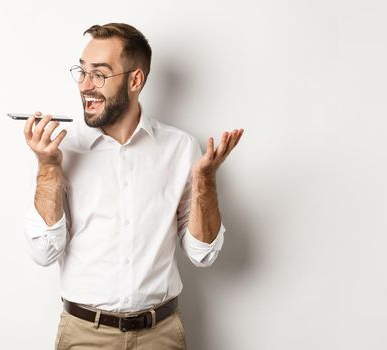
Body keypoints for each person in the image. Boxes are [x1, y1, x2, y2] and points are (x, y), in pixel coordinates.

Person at [22, 23, 243, 349]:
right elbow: (43, 252)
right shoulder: (61, 150)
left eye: (99, 74)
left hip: (161, 335)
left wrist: (205, 182)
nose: (85, 85)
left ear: (135, 80)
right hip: (84, 336)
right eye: (81, 72)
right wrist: (48, 168)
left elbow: (203, 255)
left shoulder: (180, 148)